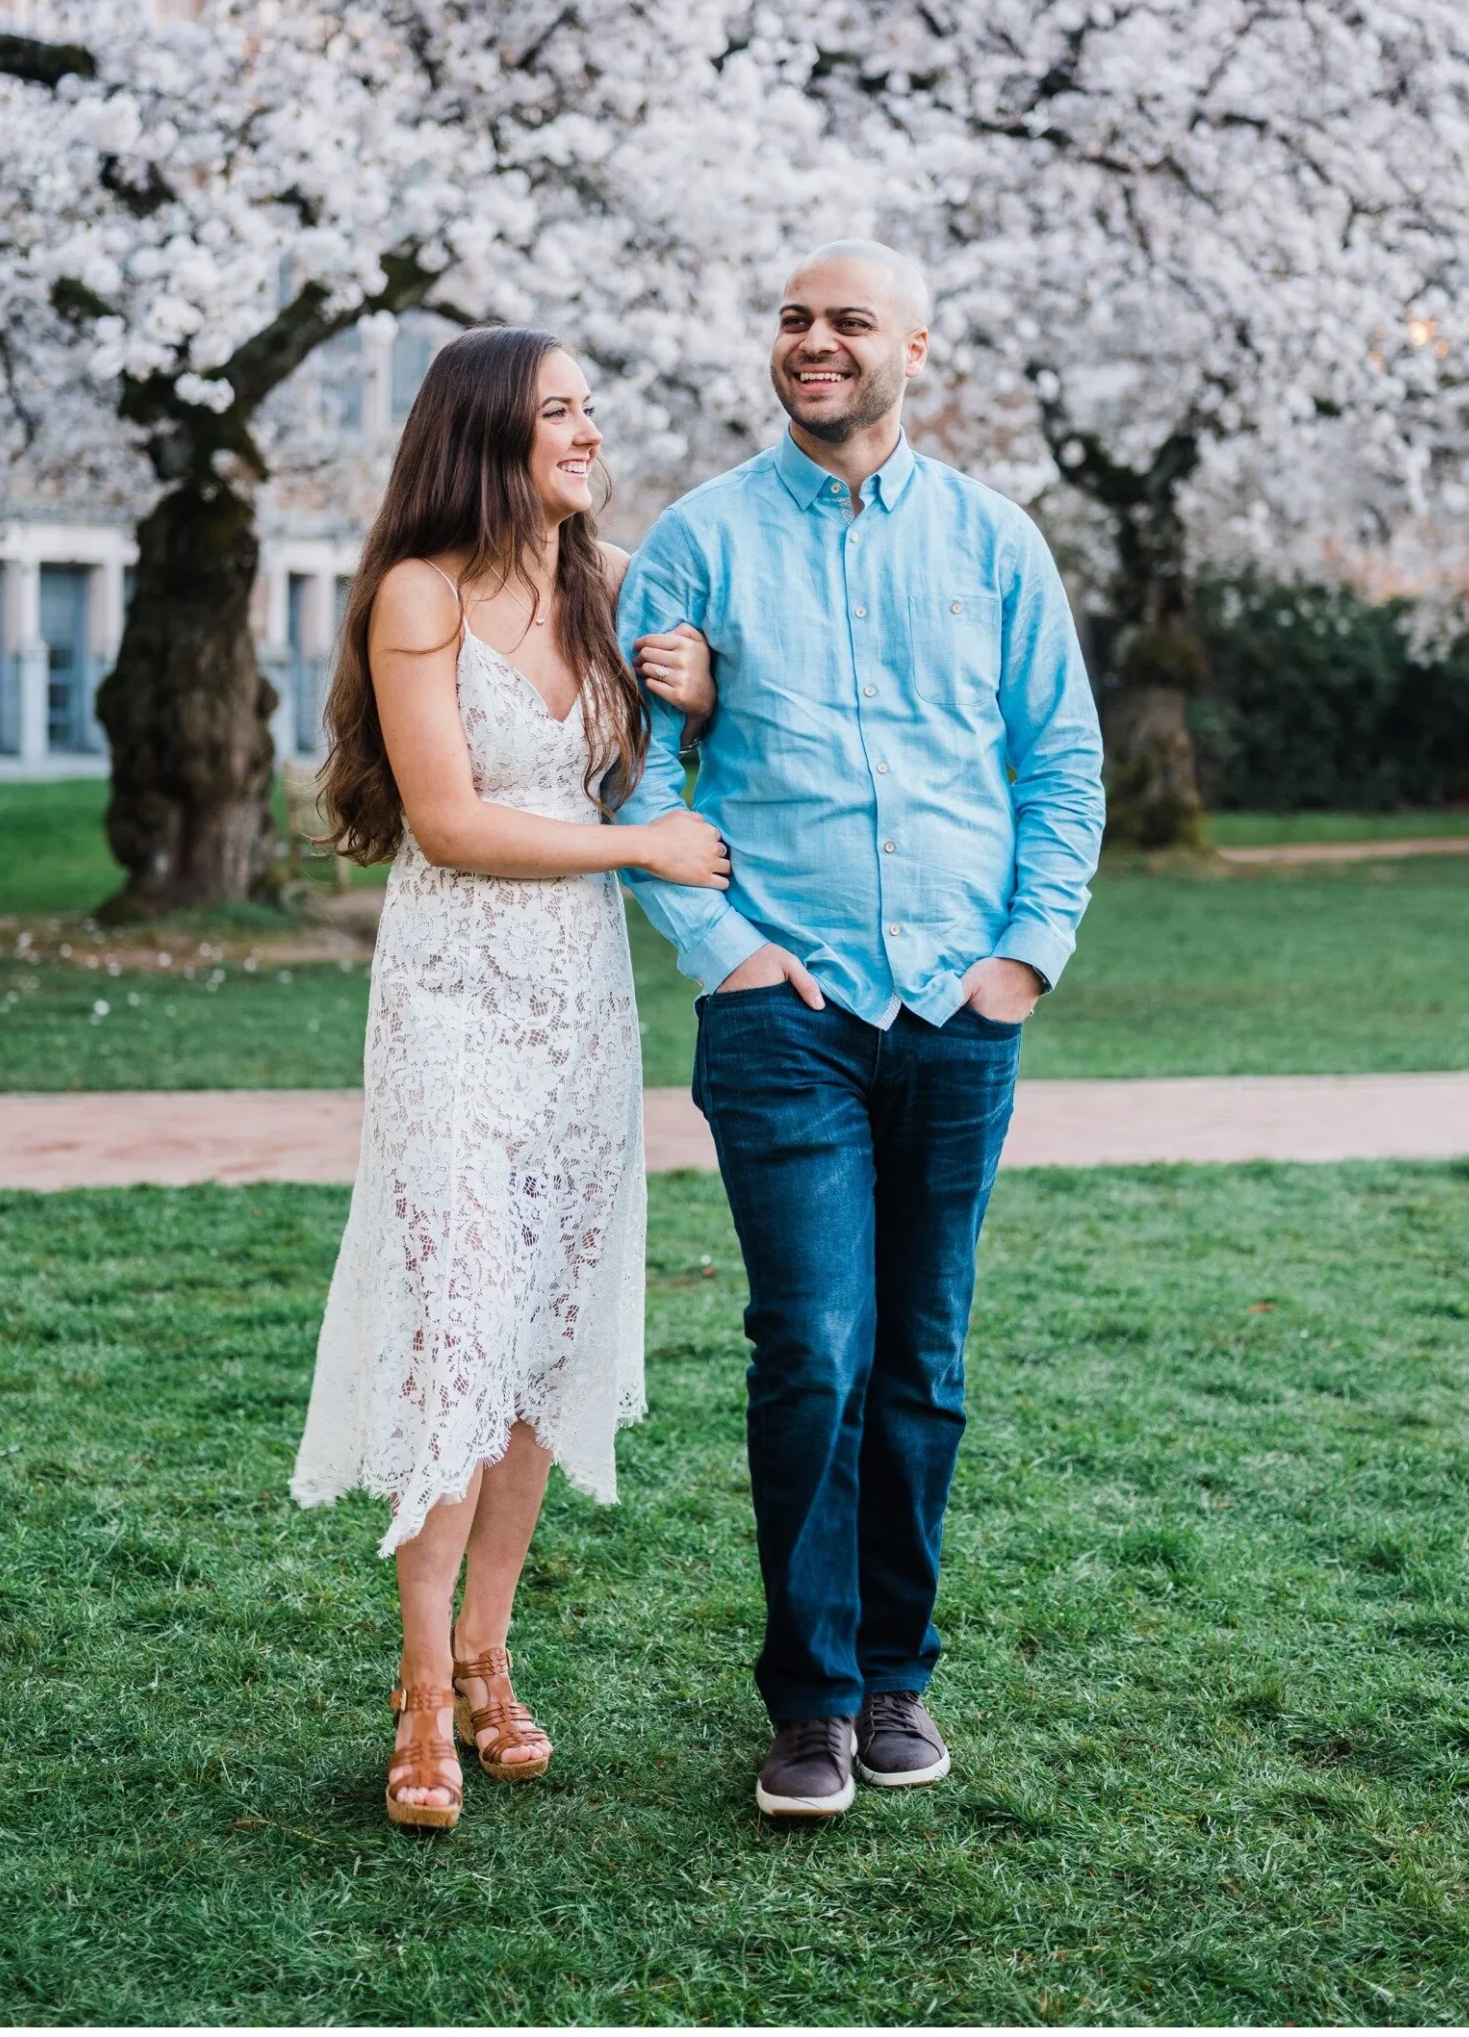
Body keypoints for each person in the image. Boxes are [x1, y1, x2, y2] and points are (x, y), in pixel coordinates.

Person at [615, 241, 1106, 1821]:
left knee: (926, 1357)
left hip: (958, 1011)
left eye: (846, 322)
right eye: (793, 319)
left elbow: (1060, 767)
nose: (813, 343)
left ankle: (900, 1680)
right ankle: (811, 1704)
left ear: (915, 350)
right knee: (813, 1348)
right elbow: (638, 784)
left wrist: (1023, 960)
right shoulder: (696, 543)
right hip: (788, 1019)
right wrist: (728, 950)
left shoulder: (993, 542)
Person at [290, 327, 722, 1831]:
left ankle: (490, 1653)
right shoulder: (420, 593)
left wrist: (696, 696)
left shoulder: (597, 590)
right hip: (456, 999)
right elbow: (457, 824)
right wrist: (638, 846)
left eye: (591, 409)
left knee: (543, 1336)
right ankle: (417, 1685)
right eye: (559, 412)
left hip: (583, 1014)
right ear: (490, 432)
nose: (588, 434)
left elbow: (652, 777)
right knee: (459, 1323)